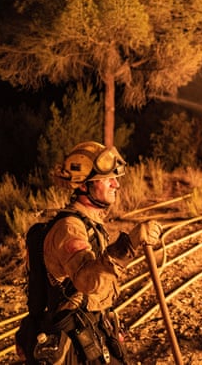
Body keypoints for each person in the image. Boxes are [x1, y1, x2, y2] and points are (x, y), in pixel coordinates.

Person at [39, 141, 161, 364]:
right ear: (84, 186)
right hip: (75, 338)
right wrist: (129, 245)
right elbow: (87, 281)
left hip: (92, 325)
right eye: (107, 179)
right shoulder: (69, 228)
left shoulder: (90, 222)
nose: (116, 184)